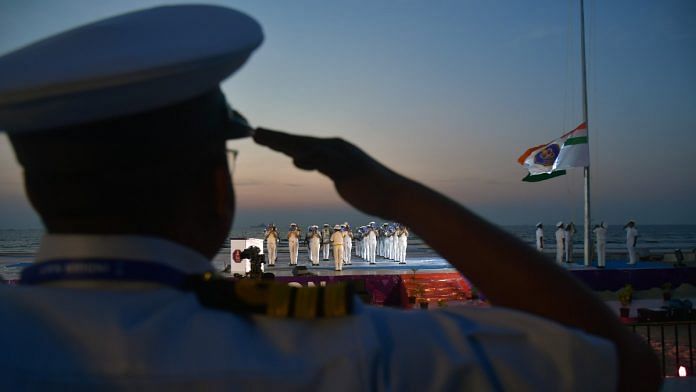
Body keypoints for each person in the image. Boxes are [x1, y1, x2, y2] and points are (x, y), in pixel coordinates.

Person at [0, 5, 660, 391]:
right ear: (214, 189)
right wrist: (400, 195)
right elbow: (620, 367)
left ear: (36, 186)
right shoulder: (340, 350)